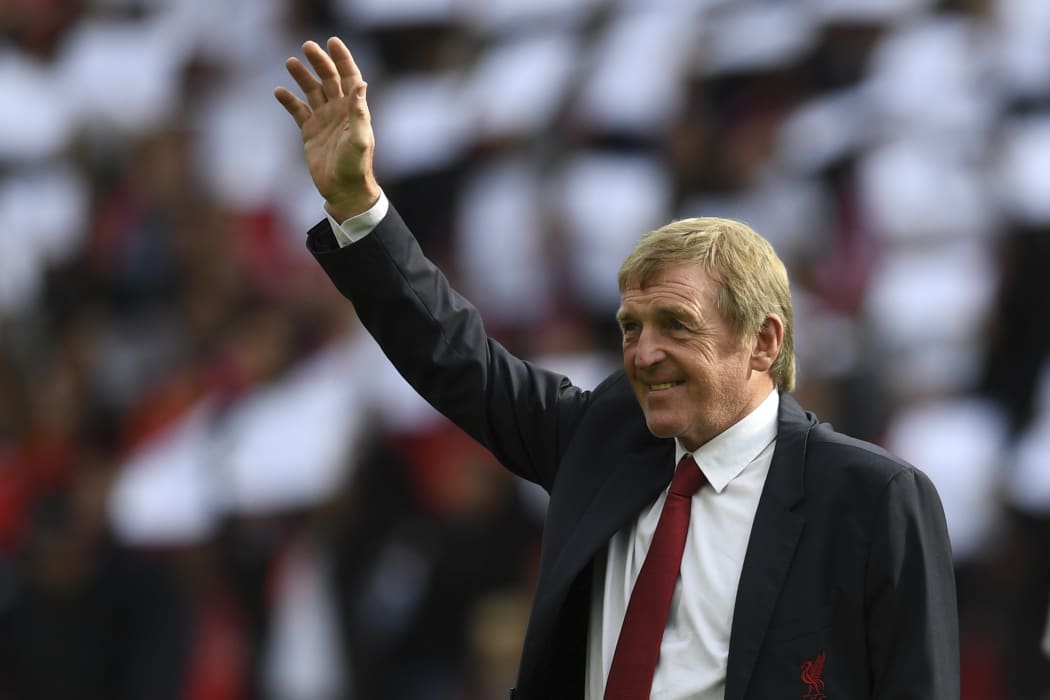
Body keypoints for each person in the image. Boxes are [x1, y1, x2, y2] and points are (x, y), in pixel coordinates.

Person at [274, 37, 959, 700]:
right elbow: (454, 355)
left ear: (764, 341)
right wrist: (358, 205)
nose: (644, 352)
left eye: (676, 326)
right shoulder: (601, 438)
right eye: (631, 326)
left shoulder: (870, 498)